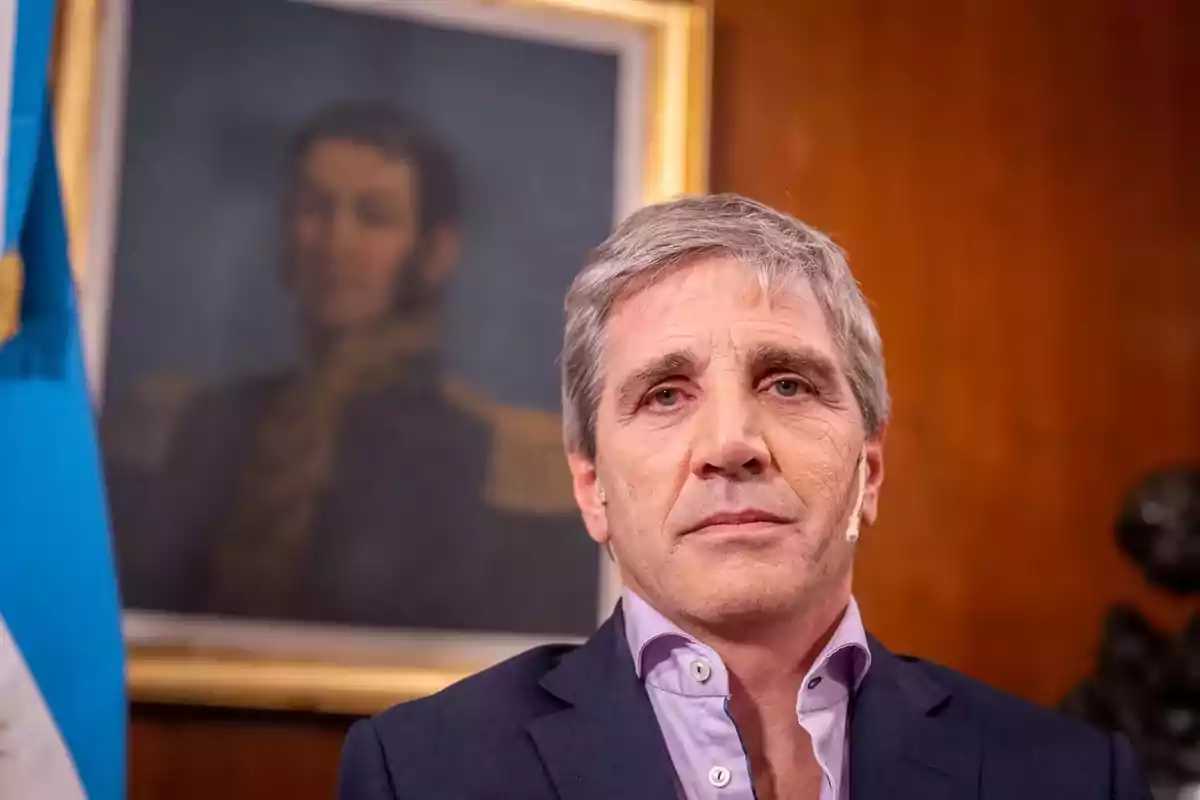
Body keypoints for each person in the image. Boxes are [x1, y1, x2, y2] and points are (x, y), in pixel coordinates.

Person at [337, 194, 1153, 799]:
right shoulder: (420, 774)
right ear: (592, 490)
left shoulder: (1076, 779)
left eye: (789, 384)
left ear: (869, 472)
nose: (732, 443)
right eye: (664, 394)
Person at [106, 104, 597, 634]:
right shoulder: (201, 419)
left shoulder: (499, 454)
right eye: (314, 208)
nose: (335, 243)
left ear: (434, 251)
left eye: (374, 217)